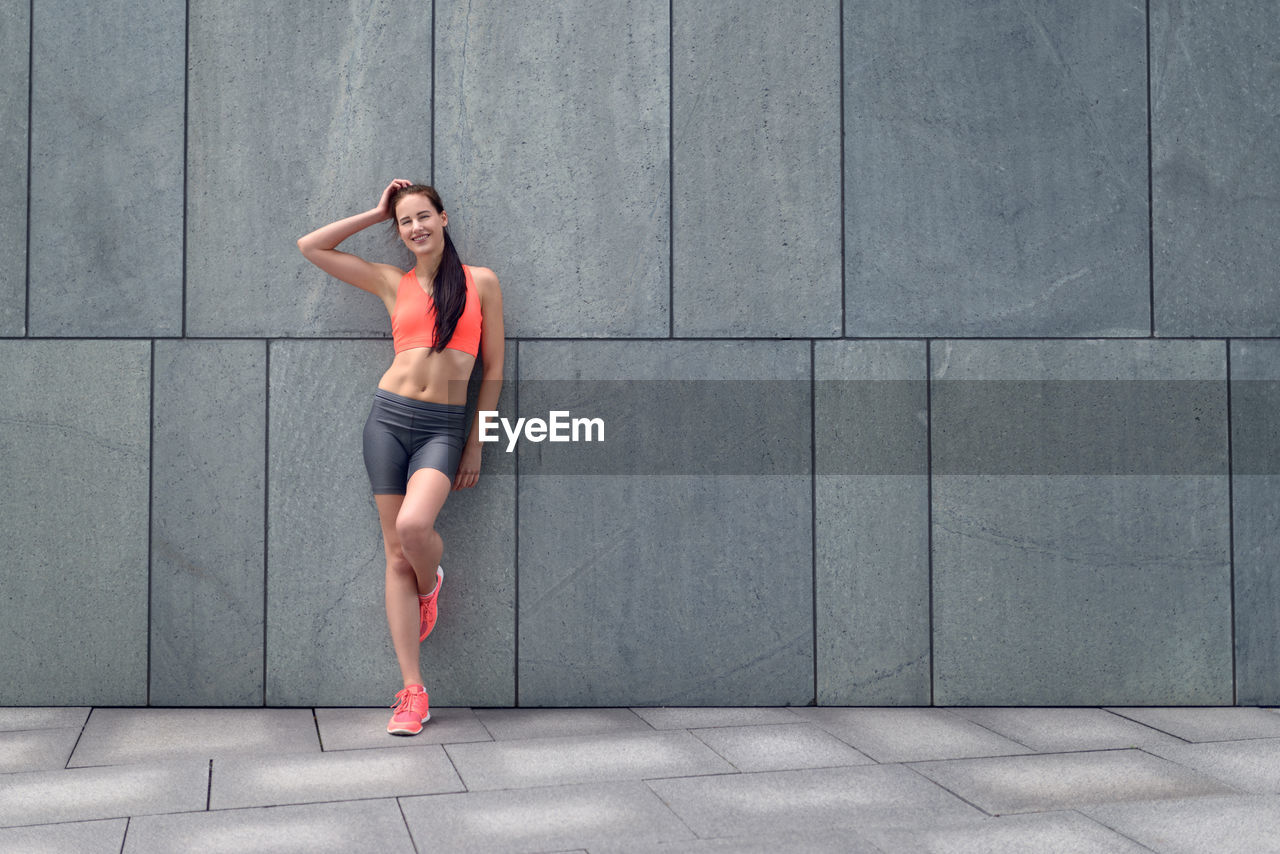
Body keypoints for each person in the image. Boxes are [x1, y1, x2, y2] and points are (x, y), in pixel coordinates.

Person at [297, 179, 504, 735]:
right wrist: (375, 210)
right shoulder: (394, 283)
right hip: (386, 422)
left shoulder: (480, 283)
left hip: (442, 428)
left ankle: (430, 579)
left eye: (423, 217)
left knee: (415, 527)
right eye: (405, 221)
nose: (415, 228)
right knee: (393, 554)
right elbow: (311, 246)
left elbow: (493, 371)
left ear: (444, 218)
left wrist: (476, 442)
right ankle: (413, 692)